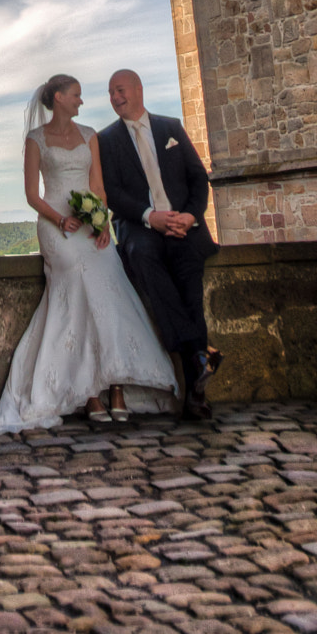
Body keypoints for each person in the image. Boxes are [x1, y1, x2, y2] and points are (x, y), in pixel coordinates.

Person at [0, 74, 178, 432]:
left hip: (89, 224)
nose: (82, 101)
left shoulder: (89, 135)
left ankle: (114, 386)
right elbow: (32, 194)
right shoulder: (36, 140)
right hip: (55, 225)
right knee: (76, 279)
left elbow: (96, 186)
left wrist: (100, 222)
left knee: (109, 282)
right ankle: (91, 393)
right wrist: (59, 219)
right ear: (58, 97)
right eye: (76, 95)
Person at [98, 68, 220, 420]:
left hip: (184, 227)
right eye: (110, 93)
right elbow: (112, 194)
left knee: (189, 285)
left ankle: (195, 389)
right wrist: (150, 216)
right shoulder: (107, 140)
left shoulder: (171, 127)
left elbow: (199, 179)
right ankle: (198, 357)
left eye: (120, 90)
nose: (115, 98)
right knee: (142, 257)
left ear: (137, 88)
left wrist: (189, 216)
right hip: (142, 229)